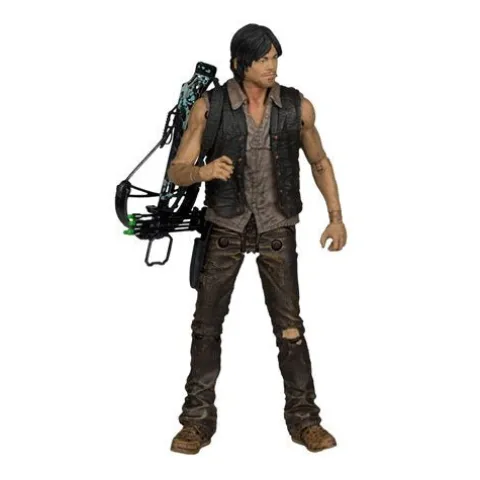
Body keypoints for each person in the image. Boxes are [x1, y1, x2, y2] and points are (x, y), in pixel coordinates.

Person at [167, 23, 347, 454]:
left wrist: (336, 217)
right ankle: (196, 421)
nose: (272, 66)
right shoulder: (210, 108)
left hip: (276, 225)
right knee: (206, 327)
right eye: (263, 59)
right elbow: (177, 170)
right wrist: (204, 171)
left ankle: (305, 421)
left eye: (274, 58)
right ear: (239, 63)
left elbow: (319, 162)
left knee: (290, 328)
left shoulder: (296, 107)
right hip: (225, 226)